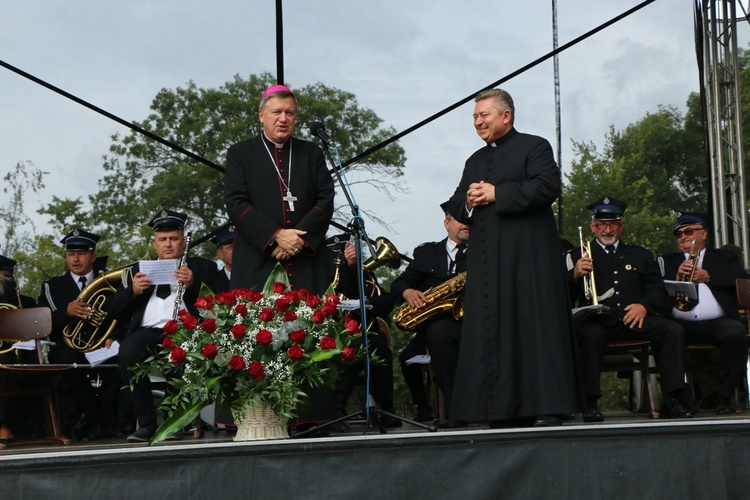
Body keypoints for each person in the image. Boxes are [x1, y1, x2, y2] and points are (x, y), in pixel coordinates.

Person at [447, 88, 580, 427]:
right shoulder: (474, 161)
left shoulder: (534, 147)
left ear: (506, 116)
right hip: (488, 261)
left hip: (528, 259)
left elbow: (547, 187)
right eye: (475, 117)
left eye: (484, 115)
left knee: (534, 326)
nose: (478, 121)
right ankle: (495, 410)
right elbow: (456, 202)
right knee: (491, 330)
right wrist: (469, 200)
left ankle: (547, 406)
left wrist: (497, 193)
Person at [569, 196, 693, 421]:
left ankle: (673, 398)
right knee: (589, 334)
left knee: (672, 330)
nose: (607, 229)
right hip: (600, 323)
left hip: (635, 319)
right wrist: (575, 276)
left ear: (621, 225)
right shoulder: (576, 255)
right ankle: (589, 402)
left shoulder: (641, 255)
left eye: (613, 224)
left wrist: (644, 306)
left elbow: (657, 290)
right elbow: (564, 297)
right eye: (601, 224)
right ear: (592, 226)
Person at [106, 209, 217, 442]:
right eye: (162, 240)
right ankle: (146, 423)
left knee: (179, 353)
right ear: (155, 244)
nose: (168, 244)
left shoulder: (202, 267)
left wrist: (193, 284)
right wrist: (133, 291)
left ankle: (173, 422)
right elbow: (113, 310)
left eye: (174, 239)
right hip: (148, 332)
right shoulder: (137, 270)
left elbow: (221, 300)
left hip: (184, 330)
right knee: (127, 352)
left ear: (184, 241)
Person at [224, 84, 335, 294]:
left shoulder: (312, 153)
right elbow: (236, 202)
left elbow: (326, 199)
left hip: (306, 261)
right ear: (261, 115)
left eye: (289, 113)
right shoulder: (240, 153)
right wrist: (275, 235)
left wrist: (298, 240)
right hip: (257, 261)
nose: (283, 119)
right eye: (276, 112)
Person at [657, 212, 748, 415]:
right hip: (680, 323)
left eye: (689, 231)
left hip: (717, 322)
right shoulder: (666, 260)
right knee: (667, 333)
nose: (683, 237)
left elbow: (740, 279)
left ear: (704, 233)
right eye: (678, 234)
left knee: (735, 332)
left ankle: (724, 397)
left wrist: (709, 276)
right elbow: (656, 291)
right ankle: (677, 398)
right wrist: (678, 276)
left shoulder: (724, 257)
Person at [390, 201, 469, 427]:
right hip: (434, 327)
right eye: (460, 219)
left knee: (440, 333)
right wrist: (407, 292)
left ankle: (456, 410)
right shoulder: (426, 253)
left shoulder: (483, 251)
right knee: (410, 354)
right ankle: (427, 407)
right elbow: (400, 283)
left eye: (470, 220)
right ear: (446, 223)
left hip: (471, 322)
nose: (467, 224)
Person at [37, 229, 119, 440]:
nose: (75, 258)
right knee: (67, 359)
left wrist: (114, 336)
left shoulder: (110, 283)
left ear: (93, 255)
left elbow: (122, 314)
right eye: (71, 253)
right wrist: (66, 312)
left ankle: (110, 420)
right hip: (66, 348)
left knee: (123, 357)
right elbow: (44, 323)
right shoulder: (51, 286)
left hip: (102, 345)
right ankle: (95, 414)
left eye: (81, 253)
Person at [331, 238, 399, 428]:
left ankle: (386, 409)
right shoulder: (335, 273)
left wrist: (367, 305)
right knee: (355, 348)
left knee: (378, 347)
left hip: (363, 333)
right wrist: (349, 269)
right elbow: (344, 291)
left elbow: (386, 301)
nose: (352, 252)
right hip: (338, 334)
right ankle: (336, 409)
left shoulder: (367, 276)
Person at [0, 254, 37, 445]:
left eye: (6, 278)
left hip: (17, 355)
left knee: (6, 364)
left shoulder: (27, 302)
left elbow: (37, 335)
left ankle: (4, 425)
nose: (3, 284)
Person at [206, 227, 234, 294]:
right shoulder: (214, 281)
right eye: (231, 247)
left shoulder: (252, 275)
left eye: (238, 246)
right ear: (220, 253)